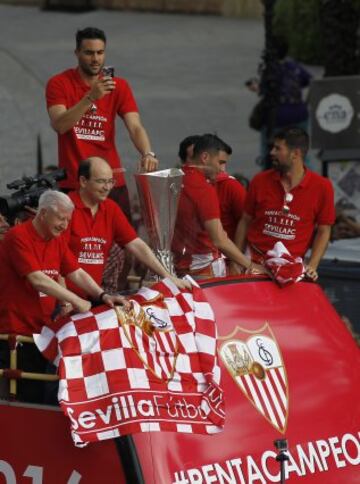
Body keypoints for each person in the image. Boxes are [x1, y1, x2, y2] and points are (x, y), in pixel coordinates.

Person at [45, 26, 158, 219]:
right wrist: (91, 97)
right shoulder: (59, 83)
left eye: (100, 52)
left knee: (121, 243)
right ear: (77, 53)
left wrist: (147, 152)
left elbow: (135, 126)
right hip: (74, 182)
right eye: (89, 53)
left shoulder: (119, 86)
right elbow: (60, 125)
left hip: (110, 182)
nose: (96, 59)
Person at [0, 190, 128, 338]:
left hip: (44, 329)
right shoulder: (18, 236)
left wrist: (103, 295)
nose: (65, 226)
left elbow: (76, 272)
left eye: (68, 220)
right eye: (61, 219)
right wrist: (74, 300)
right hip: (15, 332)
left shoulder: (56, 239)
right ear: (43, 214)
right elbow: (38, 280)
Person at [66, 156, 190, 294]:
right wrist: (65, 299)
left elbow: (136, 244)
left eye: (110, 181)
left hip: (94, 295)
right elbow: (57, 257)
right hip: (65, 300)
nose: (107, 187)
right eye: (101, 181)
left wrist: (168, 277)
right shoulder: (65, 207)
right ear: (83, 181)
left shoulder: (111, 208)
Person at [235, 127, 335, 281]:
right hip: (253, 263)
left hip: (292, 268)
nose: (272, 153)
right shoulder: (259, 181)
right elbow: (245, 221)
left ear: (296, 153)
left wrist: (313, 265)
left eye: (278, 148)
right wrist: (236, 260)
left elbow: (324, 230)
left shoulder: (322, 187)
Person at [172, 134, 265, 279]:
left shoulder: (174, 180)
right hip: (204, 272)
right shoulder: (204, 188)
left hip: (176, 267)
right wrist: (251, 266)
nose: (222, 169)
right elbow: (219, 239)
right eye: (220, 162)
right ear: (205, 157)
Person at [247, 35, 312, 165]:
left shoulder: (270, 69)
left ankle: (270, 175)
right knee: (301, 152)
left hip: (277, 117)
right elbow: (311, 81)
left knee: (270, 150)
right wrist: (306, 103)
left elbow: (265, 90)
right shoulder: (294, 66)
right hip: (299, 114)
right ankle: (306, 176)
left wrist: (255, 87)